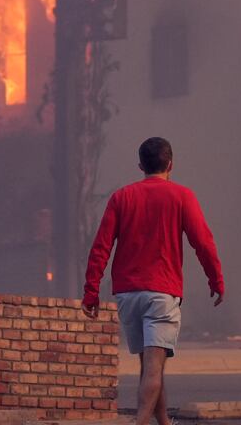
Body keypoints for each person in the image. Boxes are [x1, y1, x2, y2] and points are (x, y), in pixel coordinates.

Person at [82, 137, 224, 425]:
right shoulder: (182, 196)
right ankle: (140, 422)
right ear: (171, 164)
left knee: (150, 365)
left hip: (127, 295)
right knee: (154, 368)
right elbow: (203, 243)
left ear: (140, 165)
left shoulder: (121, 197)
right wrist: (216, 280)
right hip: (162, 292)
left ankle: (164, 421)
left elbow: (101, 247)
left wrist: (91, 292)